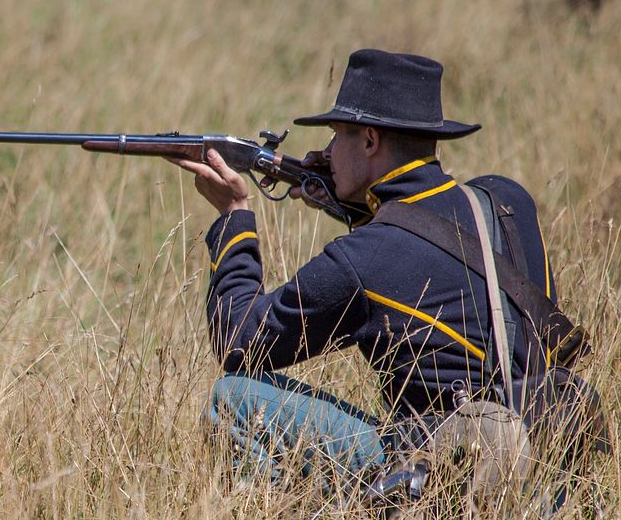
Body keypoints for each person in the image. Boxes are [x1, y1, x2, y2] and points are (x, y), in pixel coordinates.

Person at [172, 49, 556, 490]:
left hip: (448, 474)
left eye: (338, 137)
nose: (328, 151)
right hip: (546, 466)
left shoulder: (364, 256)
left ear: (370, 141)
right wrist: (347, 197)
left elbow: (238, 341)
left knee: (232, 399)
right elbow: (425, 231)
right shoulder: (506, 201)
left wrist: (233, 216)